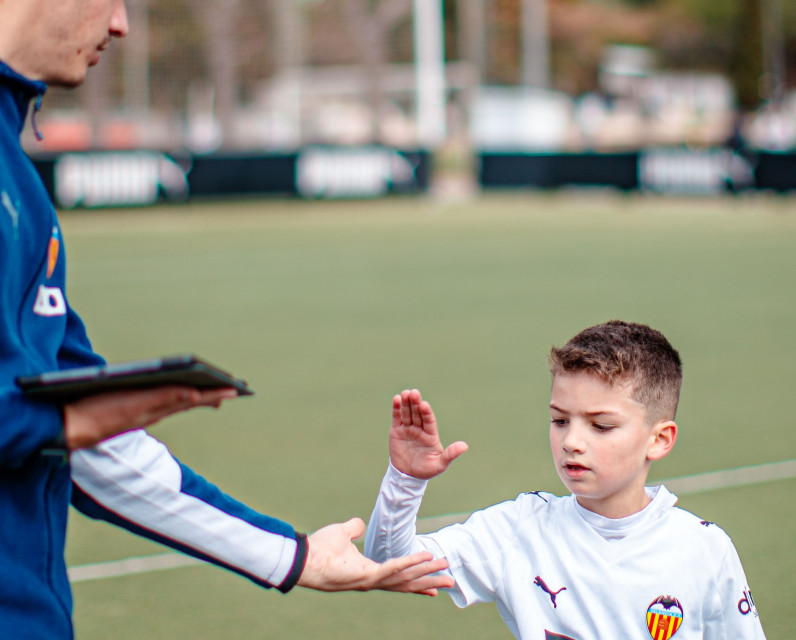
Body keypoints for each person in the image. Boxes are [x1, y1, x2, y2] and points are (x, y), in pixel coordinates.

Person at [0, 1, 452, 637]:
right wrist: (72, 419)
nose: (121, 24)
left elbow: (95, 449)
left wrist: (293, 555)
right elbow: (66, 423)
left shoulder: (18, 175)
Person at [365, 320, 767, 639]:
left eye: (601, 426)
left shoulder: (703, 548)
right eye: (560, 420)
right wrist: (405, 479)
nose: (572, 442)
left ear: (659, 439)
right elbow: (390, 563)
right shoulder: (518, 531)